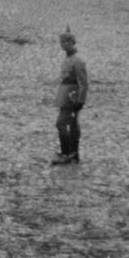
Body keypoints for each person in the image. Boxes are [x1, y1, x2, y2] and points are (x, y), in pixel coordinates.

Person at [53, 30, 88, 165]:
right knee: (73, 124)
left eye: (66, 42)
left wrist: (80, 100)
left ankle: (66, 153)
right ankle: (74, 154)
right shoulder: (68, 58)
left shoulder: (78, 60)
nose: (63, 44)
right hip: (65, 95)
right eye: (61, 42)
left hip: (72, 97)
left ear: (73, 43)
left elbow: (83, 82)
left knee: (61, 123)